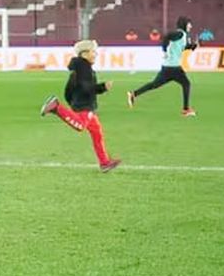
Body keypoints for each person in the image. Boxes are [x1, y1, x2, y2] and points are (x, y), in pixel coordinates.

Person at [40, 40, 122, 172]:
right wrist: (102, 87)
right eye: (93, 51)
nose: (96, 54)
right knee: (80, 126)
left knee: (97, 134)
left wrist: (72, 101)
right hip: (85, 105)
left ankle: (104, 162)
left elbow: (69, 90)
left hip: (83, 104)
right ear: (84, 53)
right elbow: (86, 88)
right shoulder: (84, 69)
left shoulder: (80, 68)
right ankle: (56, 107)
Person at [128, 16, 197, 116]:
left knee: (154, 84)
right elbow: (167, 36)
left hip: (167, 67)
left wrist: (191, 47)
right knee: (186, 84)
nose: (191, 26)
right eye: (189, 23)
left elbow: (179, 47)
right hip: (174, 67)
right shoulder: (180, 33)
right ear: (184, 24)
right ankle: (186, 110)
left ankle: (133, 94)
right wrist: (164, 49)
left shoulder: (182, 36)